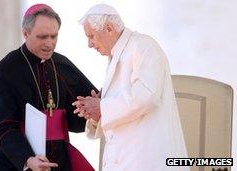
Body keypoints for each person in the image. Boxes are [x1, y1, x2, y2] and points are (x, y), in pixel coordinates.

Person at [0, 3, 95, 171]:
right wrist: (27, 159)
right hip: (18, 162)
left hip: (58, 160)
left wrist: (92, 113)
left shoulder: (61, 64)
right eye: (42, 37)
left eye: (54, 36)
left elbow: (74, 120)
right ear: (25, 33)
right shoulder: (7, 70)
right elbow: (3, 128)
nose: (49, 43)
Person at [73, 4, 189, 171]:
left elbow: (146, 97)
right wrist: (97, 111)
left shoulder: (144, 46)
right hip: (126, 159)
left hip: (147, 160)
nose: (89, 44)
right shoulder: (117, 55)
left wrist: (102, 107)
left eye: (91, 36)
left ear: (109, 28)